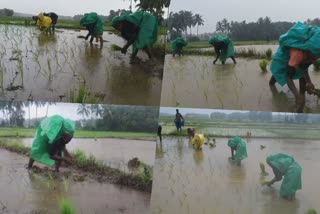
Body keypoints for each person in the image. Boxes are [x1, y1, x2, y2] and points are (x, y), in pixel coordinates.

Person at [269, 22, 320, 113]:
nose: (313, 59)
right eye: (313, 56)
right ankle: (272, 87)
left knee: (301, 76)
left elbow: (304, 67)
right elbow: (288, 77)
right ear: (307, 50)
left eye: (316, 57)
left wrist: (309, 82)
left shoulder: (313, 52)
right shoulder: (298, 54)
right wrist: (296, 95)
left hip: (299, 59)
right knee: (277, 75)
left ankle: (300, 107)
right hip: (283, 59)